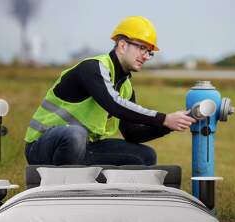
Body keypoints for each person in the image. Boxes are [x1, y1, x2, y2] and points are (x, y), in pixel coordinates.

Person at [24, 16, 196, 166]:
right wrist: (164, 118)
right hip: (43, 146)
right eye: (141, 48)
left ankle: (106, 194)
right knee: (75, 134)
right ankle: (65, 190)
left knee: (145, 156)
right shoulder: (93, 68)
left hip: (85, 147)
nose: (145, 56)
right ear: (122, 45)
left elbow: (133, 134)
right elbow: (112, 103)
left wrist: (170, 125)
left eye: (149, 52)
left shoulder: (126, 87)